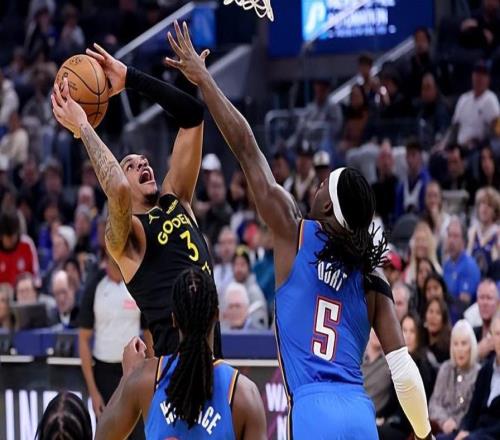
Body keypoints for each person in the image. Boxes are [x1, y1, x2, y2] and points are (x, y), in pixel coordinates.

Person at [164, 21, 433, 439]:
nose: (317, 184)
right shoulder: (372, 274)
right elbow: (402, 369)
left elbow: (246, 147)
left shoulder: (293, 230)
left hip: (311, 409)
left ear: (326, 206)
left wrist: (205, 81)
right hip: (359, 413)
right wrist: (426, 433)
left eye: (324, 182)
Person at [51, 43, 220, 357]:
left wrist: (130, 78)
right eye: (130, 165)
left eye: (144, 161)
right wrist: (83, 126)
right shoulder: (129, 237)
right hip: (174, 369)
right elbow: (117, 188)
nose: (142, 163)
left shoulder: (176, 199)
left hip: (213, 362)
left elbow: (193, 116)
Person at [95, 268, 267, 439]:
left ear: (174, 319)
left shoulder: (146, 378)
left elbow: (102, 437)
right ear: (216, 315)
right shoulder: (244, 394)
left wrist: (128, 376)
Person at [78, 253, 142, 425]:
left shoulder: (138, 283)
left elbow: (149, 334)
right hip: (104, 373)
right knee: (109, 431)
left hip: (134, 371)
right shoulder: (95, 286)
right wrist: (93, 392)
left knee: (137, 431)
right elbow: (83, 339)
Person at [437, 312, 500, 440]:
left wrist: (471, 436)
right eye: (498, 334)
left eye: (464, 343)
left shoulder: (478, 370)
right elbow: (473, 411)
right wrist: (463, 430)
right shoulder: (486, 370)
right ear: (492, 337)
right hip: (476, 431)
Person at [429, 320, 480, 436]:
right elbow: (433, 404)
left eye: (464, 343)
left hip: (463, 432)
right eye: (456, 344)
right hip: (440, 428)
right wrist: (445, 421)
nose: (459, 349)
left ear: (471, 346)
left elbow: (473, 412)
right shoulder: (445, 368)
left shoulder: (479, 373)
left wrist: (455, 424)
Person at [451, 60, 500, 150]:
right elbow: (454, 127)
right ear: (472, 76)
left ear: (488, 79)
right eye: (477, 74)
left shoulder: (490, 99)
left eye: (483, 75)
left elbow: (497, 131)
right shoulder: (463, 98)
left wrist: (486, 146)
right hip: (458, 147)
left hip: (477, 147)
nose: (479, 78)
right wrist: (443, 145)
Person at [443, 217, 481, 322]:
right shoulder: (446, 264)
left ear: (464, 241)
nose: (451, 240)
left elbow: (463, 306)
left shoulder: (469, 266)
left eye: (455, 236)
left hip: (463, 322)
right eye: (449, 235)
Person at [0, 209, 40, 288]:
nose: (11, 241)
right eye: (8, 238)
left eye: (13, 236)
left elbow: (36, 276)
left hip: (24, 292)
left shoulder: (27, 245)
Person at [467, 187, 500, 276]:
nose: (485, 207)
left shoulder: (498, 234)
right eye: (482, 203)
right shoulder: (471, 232)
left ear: (495, 211)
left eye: (489, 205)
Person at [473, 279, 500, 361]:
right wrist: (476, 353)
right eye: (481, 297)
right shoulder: (472, 333)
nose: (485, 303)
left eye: (489, 298)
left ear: (498, 303)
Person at [423, 298, 452, 366]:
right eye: (431, 311)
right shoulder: (419, 339)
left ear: (444, 319)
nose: (433, 317)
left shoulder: (449, 346)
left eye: (438, 313)